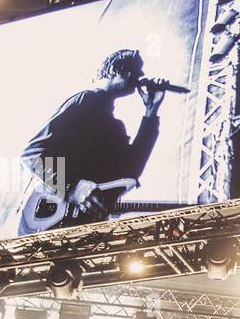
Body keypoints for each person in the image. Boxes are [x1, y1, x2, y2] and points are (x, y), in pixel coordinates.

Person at [20, 48, 167, 230]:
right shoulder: (86, 100)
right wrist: (72, 188)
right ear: (115, 70)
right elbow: (32, 153)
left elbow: (130, 172)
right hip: (50, 217)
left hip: (83, 225)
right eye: (135, 69)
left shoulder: (116, 128)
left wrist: (151, 112)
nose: (141, 75)